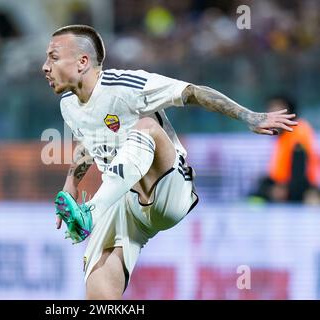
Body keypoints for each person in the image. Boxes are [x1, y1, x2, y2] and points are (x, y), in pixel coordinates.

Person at [42, 25, 297, 299]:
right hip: (125, 201)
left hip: (168, 188)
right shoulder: (68, 104)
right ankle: (94, 217)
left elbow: (193, 92)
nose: (45, 67)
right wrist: (71, 181)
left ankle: (90, 211)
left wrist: (249, 116)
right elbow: (89, 143)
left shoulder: (126, 86)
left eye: (53, 57)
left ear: (83, 62)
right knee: (98, 284)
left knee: (147, 126)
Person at [251, 95, 319, 203]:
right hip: (282, 182)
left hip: (299, 186)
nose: (272, 113)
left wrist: (283, 189)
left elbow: (299, 170)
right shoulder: (283, 133)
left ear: (290, 111)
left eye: (277, 109)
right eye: (271, 109)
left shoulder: (297, 132)